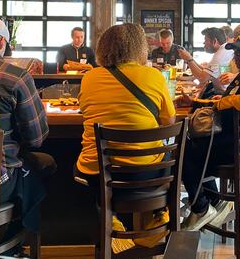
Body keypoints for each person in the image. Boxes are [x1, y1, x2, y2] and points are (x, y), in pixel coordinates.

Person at [74, 23, 176, 252]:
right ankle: (159, 216)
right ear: (140, 48)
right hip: (146, 173)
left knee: (82, 164)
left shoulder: (89, 78)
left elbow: (85, 111)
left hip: (99, 174)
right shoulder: (154, 76)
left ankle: (109, 215)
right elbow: (169, 121)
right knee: (169, 152)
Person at [177, 31, 240, 230]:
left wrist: (220, 104)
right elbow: (226, 101)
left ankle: (202, 207)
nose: (236, 56)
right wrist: (197, 102)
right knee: (190, 146)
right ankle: (213, 203)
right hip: (236, 139)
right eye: (235, 52)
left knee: (185, 152)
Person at [0, 16, 53, 246]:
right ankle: (13, 242)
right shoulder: (14, 76)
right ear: (1, 44)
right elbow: (36, 139)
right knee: (41, 167)